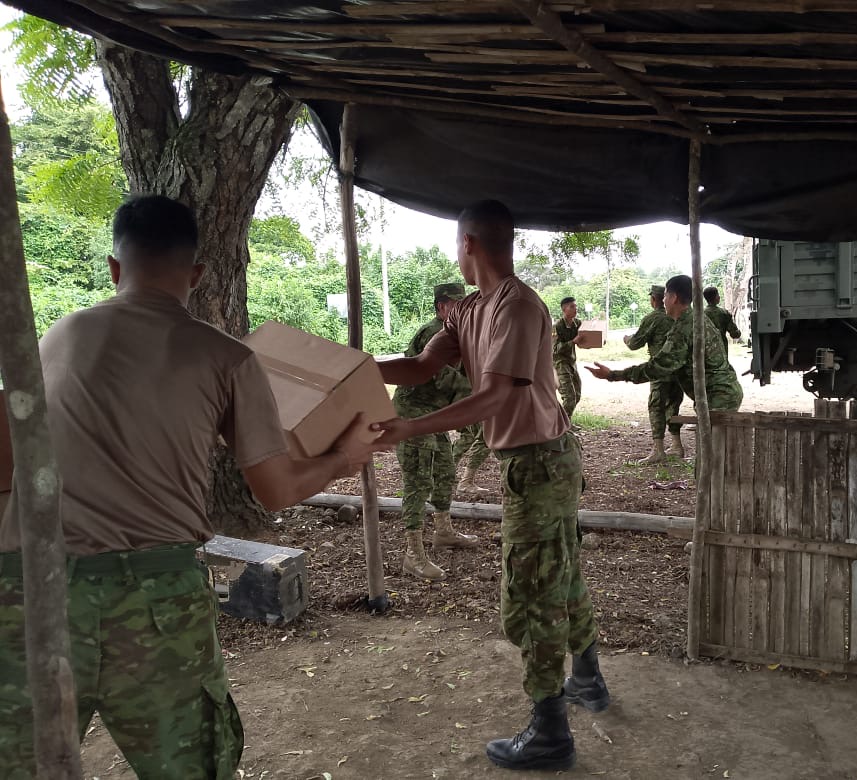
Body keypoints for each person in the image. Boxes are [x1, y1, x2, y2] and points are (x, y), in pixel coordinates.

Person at [0, 196, 384, 779]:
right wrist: (342, 458)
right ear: (198, 274)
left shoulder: (59, 335)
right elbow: (276, 490)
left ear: (114, 267)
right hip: (155, 599)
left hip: (34, 588)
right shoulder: (225, 357)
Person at [373, 200, 608, 772]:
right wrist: (352, 367)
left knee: (531, 595)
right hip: (533, 464)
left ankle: (550, 731)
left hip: (540, 464)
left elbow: (496, 396)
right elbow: (421, 367)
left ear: (468, 244)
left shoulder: (518, 307)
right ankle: (587, 679)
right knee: (560, 572)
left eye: (457, 244)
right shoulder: (469, 310)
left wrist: (410, 427)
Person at [392, 282, 479, 581]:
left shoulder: (459, 333)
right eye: (458, 304)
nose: (465, 309)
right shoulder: (435, 333)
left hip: (433, 414)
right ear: (442, 307)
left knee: (445, 472)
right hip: (412, 413)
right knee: (418, 482)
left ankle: (443, 532)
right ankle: (413, 554)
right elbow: (446, 380)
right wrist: (486, 395)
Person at [587, 275, 743, 414]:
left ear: (674, 297)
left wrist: (612, 375)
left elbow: (658, 367)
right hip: (723, 393)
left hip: (718, 398)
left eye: (666, 295)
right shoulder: (696, 318)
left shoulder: (684, 328)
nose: (663, 300)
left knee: (713, 440)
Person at [624, 284, 685, 462]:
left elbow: (635, 343)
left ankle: (658, 449)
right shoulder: (678, 316)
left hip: (659, 371)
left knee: (656, 407)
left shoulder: (653, 318)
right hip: (679, 370)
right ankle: (677, 445)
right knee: (673, 406)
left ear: (653, 299)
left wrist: (627, 339)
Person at [553, 296, 582, 418]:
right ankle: (561, 424)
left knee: (577, 395)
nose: (576, 308)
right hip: (560, 364)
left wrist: (596, 340)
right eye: (572, 306)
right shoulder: (557, 326)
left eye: (576, 306)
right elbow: (554, 349)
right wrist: (572, 342)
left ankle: (564, 422)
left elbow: (586, 338)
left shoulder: (577, 323)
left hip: (571, 362)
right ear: (564, 309)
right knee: (569, 397)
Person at [453, 421, 491, 494]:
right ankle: (466, 482)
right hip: (480, 415)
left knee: (467, 436)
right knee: (486, 439)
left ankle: (448, 475)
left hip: (467, 414)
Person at [703, 286, 742, 356]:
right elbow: (734, 334)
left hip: (705, 349)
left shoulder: (701, 314)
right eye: (718, 295)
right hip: (721, 349)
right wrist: (738, 332)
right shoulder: (724, 313)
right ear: (716, 297)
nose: (719, 297)